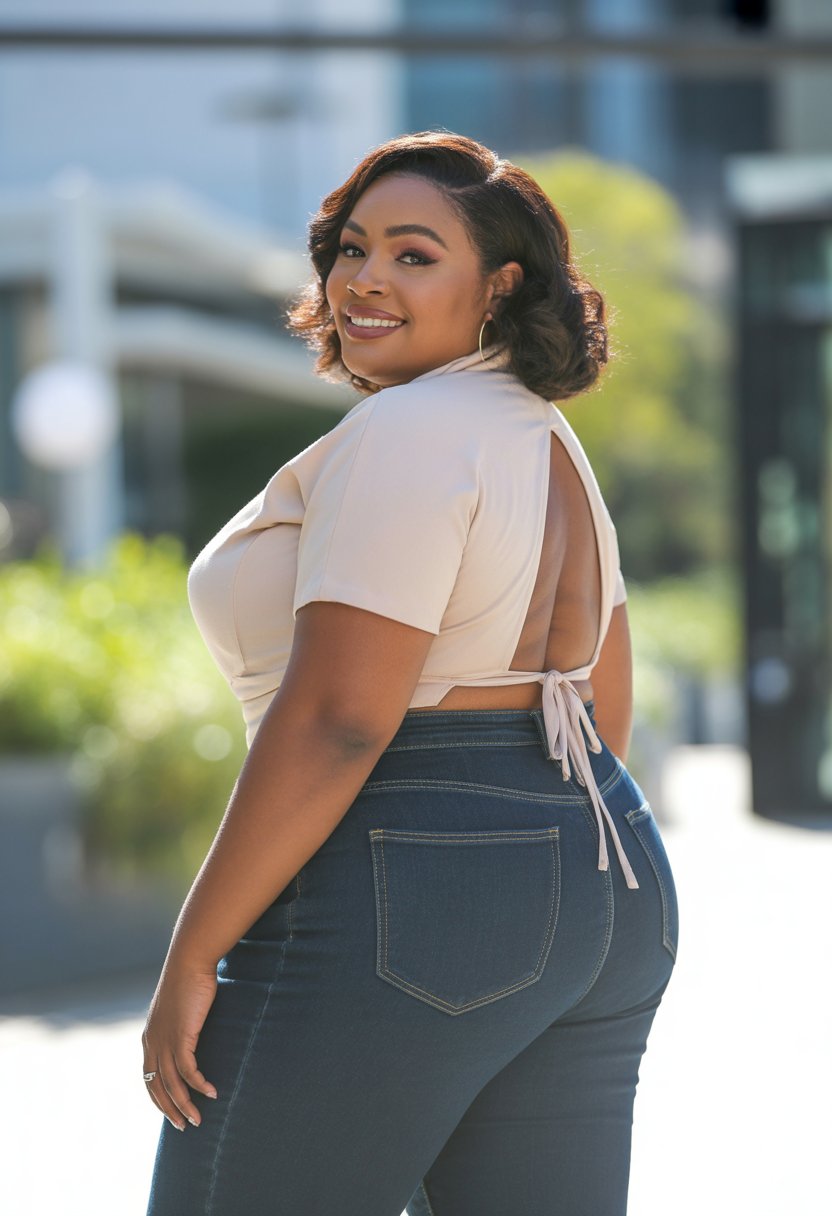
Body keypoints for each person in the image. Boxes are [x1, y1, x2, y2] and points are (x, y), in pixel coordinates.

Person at [143, 130, 679, 1216]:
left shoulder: (410, 429)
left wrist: (193, 951)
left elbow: (342, 715)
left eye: (413, 253)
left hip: (412, 864)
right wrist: (528, 869)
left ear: (500, 285)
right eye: (350, 248)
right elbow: (597, 704)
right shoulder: (544, 440)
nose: (365, 278)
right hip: (604, 874)